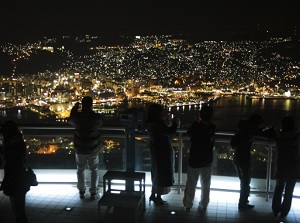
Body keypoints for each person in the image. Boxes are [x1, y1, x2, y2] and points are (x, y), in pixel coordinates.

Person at [68, 96, 103, 200]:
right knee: (94, 170)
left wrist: (75, 109)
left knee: (80, 170)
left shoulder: (77, 117)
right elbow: (100, 122)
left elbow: (70, 120)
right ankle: (93, 192)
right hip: (92, 148)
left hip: (80, 148)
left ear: (82, 105)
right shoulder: (95, 117)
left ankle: (82, 191)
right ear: (91, 104)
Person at [183, 105, 216, 212]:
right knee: (206, 184)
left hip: (195, 158)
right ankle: (204, 204)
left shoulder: (196, 126)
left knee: (192, 183)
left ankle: (188, 204)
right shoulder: (212, 127)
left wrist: (196, 122)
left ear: (201, 115)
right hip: (207, 159)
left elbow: (189, 134)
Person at [146, 103, 180, 205]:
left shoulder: (149, 122)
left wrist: (167, 123)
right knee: (161, 174)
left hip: (155, 150)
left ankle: (153, 194)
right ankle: (158, 198)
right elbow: (169, 132)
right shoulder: (158, 123)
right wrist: (175, 124)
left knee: (156, 173)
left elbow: (162, 131)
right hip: (163, 151)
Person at [230, 114, 265, 210]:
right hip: (244, 159)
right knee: (245, 182)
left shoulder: (242, 128)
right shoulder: (251, 130)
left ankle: (244, 202)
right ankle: (242, 204)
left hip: (237, 157)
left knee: (243, 181)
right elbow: (263, 135)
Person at [0, 120, 30, 223]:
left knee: (18, 210)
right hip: (20, 178)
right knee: (19, 209)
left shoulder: (11, 148)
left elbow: (10, 163)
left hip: (14, 179)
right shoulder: (19, 143)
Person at [271, 116, 300, 219]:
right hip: (294, 165)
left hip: (281, 165)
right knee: (289, 191)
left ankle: (275, 209)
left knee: (278, 188)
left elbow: (271, 137)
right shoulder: (297, 136)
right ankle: (284, 211)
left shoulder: (279, 135)